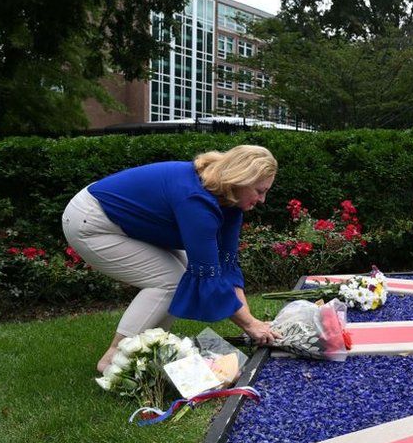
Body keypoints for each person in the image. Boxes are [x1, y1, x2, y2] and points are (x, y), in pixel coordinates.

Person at [62, 145, 282, 372]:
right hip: (91, 221)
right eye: (259, 190)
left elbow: (226, 265)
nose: (263, 199)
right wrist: (249, 325)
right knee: (171, 280)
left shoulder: (230, 201)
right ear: (240, 179)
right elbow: (206, 274)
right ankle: (114, 359)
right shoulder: (197, 200)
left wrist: (251, 322)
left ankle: (149, 350)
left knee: (180, 275)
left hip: (123, 221)